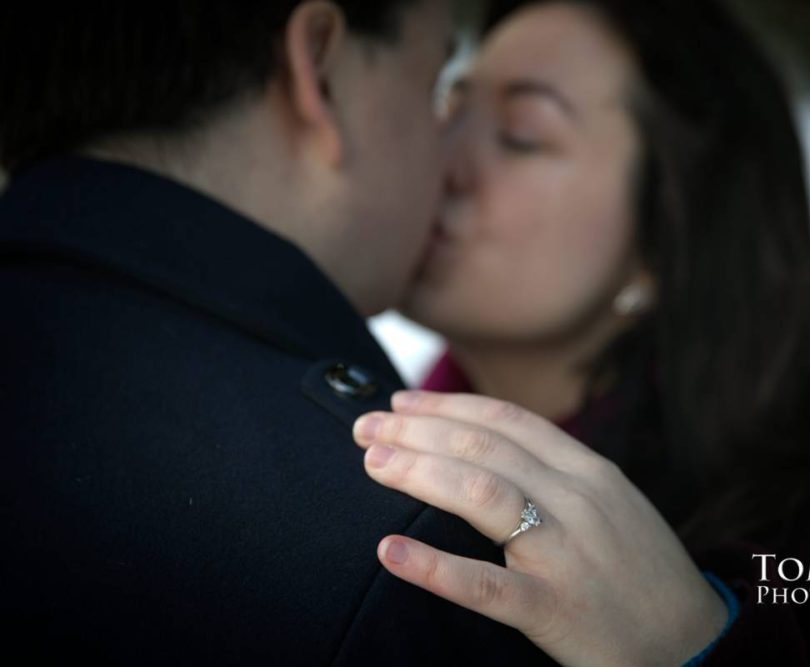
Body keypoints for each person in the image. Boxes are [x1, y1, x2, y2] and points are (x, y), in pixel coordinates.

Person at [347, 0, 810, 665]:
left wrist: (696, 646)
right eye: (446, 105)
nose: (441, 159)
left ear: (665, 239)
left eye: (520, 134)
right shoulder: (359, 436)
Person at [0, 1, 559, 664]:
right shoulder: (409, 558)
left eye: (520, 134)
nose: (452, 160)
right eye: (436, 86)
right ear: (318, 67)